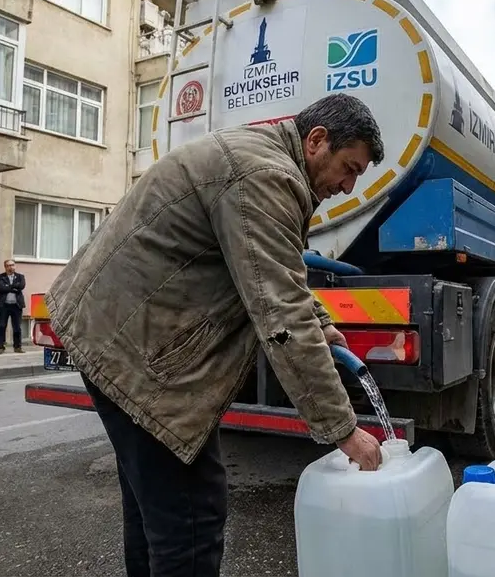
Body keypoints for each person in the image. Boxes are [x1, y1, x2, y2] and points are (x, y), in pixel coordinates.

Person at [44, 93, 386, 577]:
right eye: (348, 168)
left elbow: (266, 265)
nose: (348, 186)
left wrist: (325, 327)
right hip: (136, 353)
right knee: (190, 518)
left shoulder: (261, 159)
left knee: (155, 512)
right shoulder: (266, 177)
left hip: (115, 335)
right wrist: (344, 430)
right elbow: (281, 313)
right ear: (316, 141)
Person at [0, 259, 26, 354]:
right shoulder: (0, 277)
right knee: (2, 326)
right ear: (5, 267)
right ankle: (1, 346)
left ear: (15, 266)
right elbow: (1, 288)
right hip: (3, 305)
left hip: (16, 306)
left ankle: (17, 347)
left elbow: (21, 286)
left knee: (17, 327)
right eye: (8, 265)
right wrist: (13, 287)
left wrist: (8, 287)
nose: (11, 267)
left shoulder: (20, 277)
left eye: (12, 265)